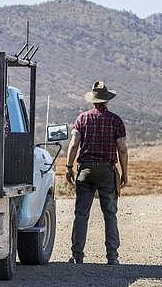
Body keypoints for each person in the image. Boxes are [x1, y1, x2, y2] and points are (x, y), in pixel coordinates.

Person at [65, 81, 129, 265]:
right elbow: (122, 149)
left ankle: (77, 255)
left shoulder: (83, 119)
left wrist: (69, 167)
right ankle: (112, 257)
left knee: (81, 214)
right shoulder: (116, 121)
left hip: (85, 170)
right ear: (107, 100)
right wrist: (125, 173)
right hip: (107, 172)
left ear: (93, 100)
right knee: (110, 213)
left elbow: (73, 144)